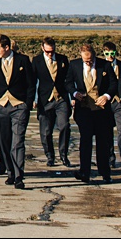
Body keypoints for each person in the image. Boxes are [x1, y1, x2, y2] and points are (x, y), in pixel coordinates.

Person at [0, 32, 32, 189]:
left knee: (18, 141)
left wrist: (27, 104)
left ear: (7, 47)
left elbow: (31, 83)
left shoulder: (23, 60)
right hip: (0, 107)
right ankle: (10, 171)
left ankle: (18, 176)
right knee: (4, 142)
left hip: (19, 106)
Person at [66, 42, 116, 183]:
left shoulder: (104, 65)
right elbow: (68, 83)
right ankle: (85, 173)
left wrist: (106, 96)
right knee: (85, 141)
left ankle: (105, 173)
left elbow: (114, 84)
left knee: (103, 143)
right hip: (84, 110)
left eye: (90, 60)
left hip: (101, 111)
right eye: (85, 60)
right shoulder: (74, 65)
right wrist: (75, 93)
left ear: (94, 56)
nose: (88, 63)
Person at [32, 36, 73, 170]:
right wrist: (32, 99)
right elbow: (32, 82)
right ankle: (50, 155)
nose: (50, 54)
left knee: (64, 126)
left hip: (61, 99)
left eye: (52, 51)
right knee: (46, 131)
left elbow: (69, 79)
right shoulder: (37, 61)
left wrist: (73, 95)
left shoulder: (63, 59)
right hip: (45, 100)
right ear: (42, 48)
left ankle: (63, 154)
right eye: (47, 51)